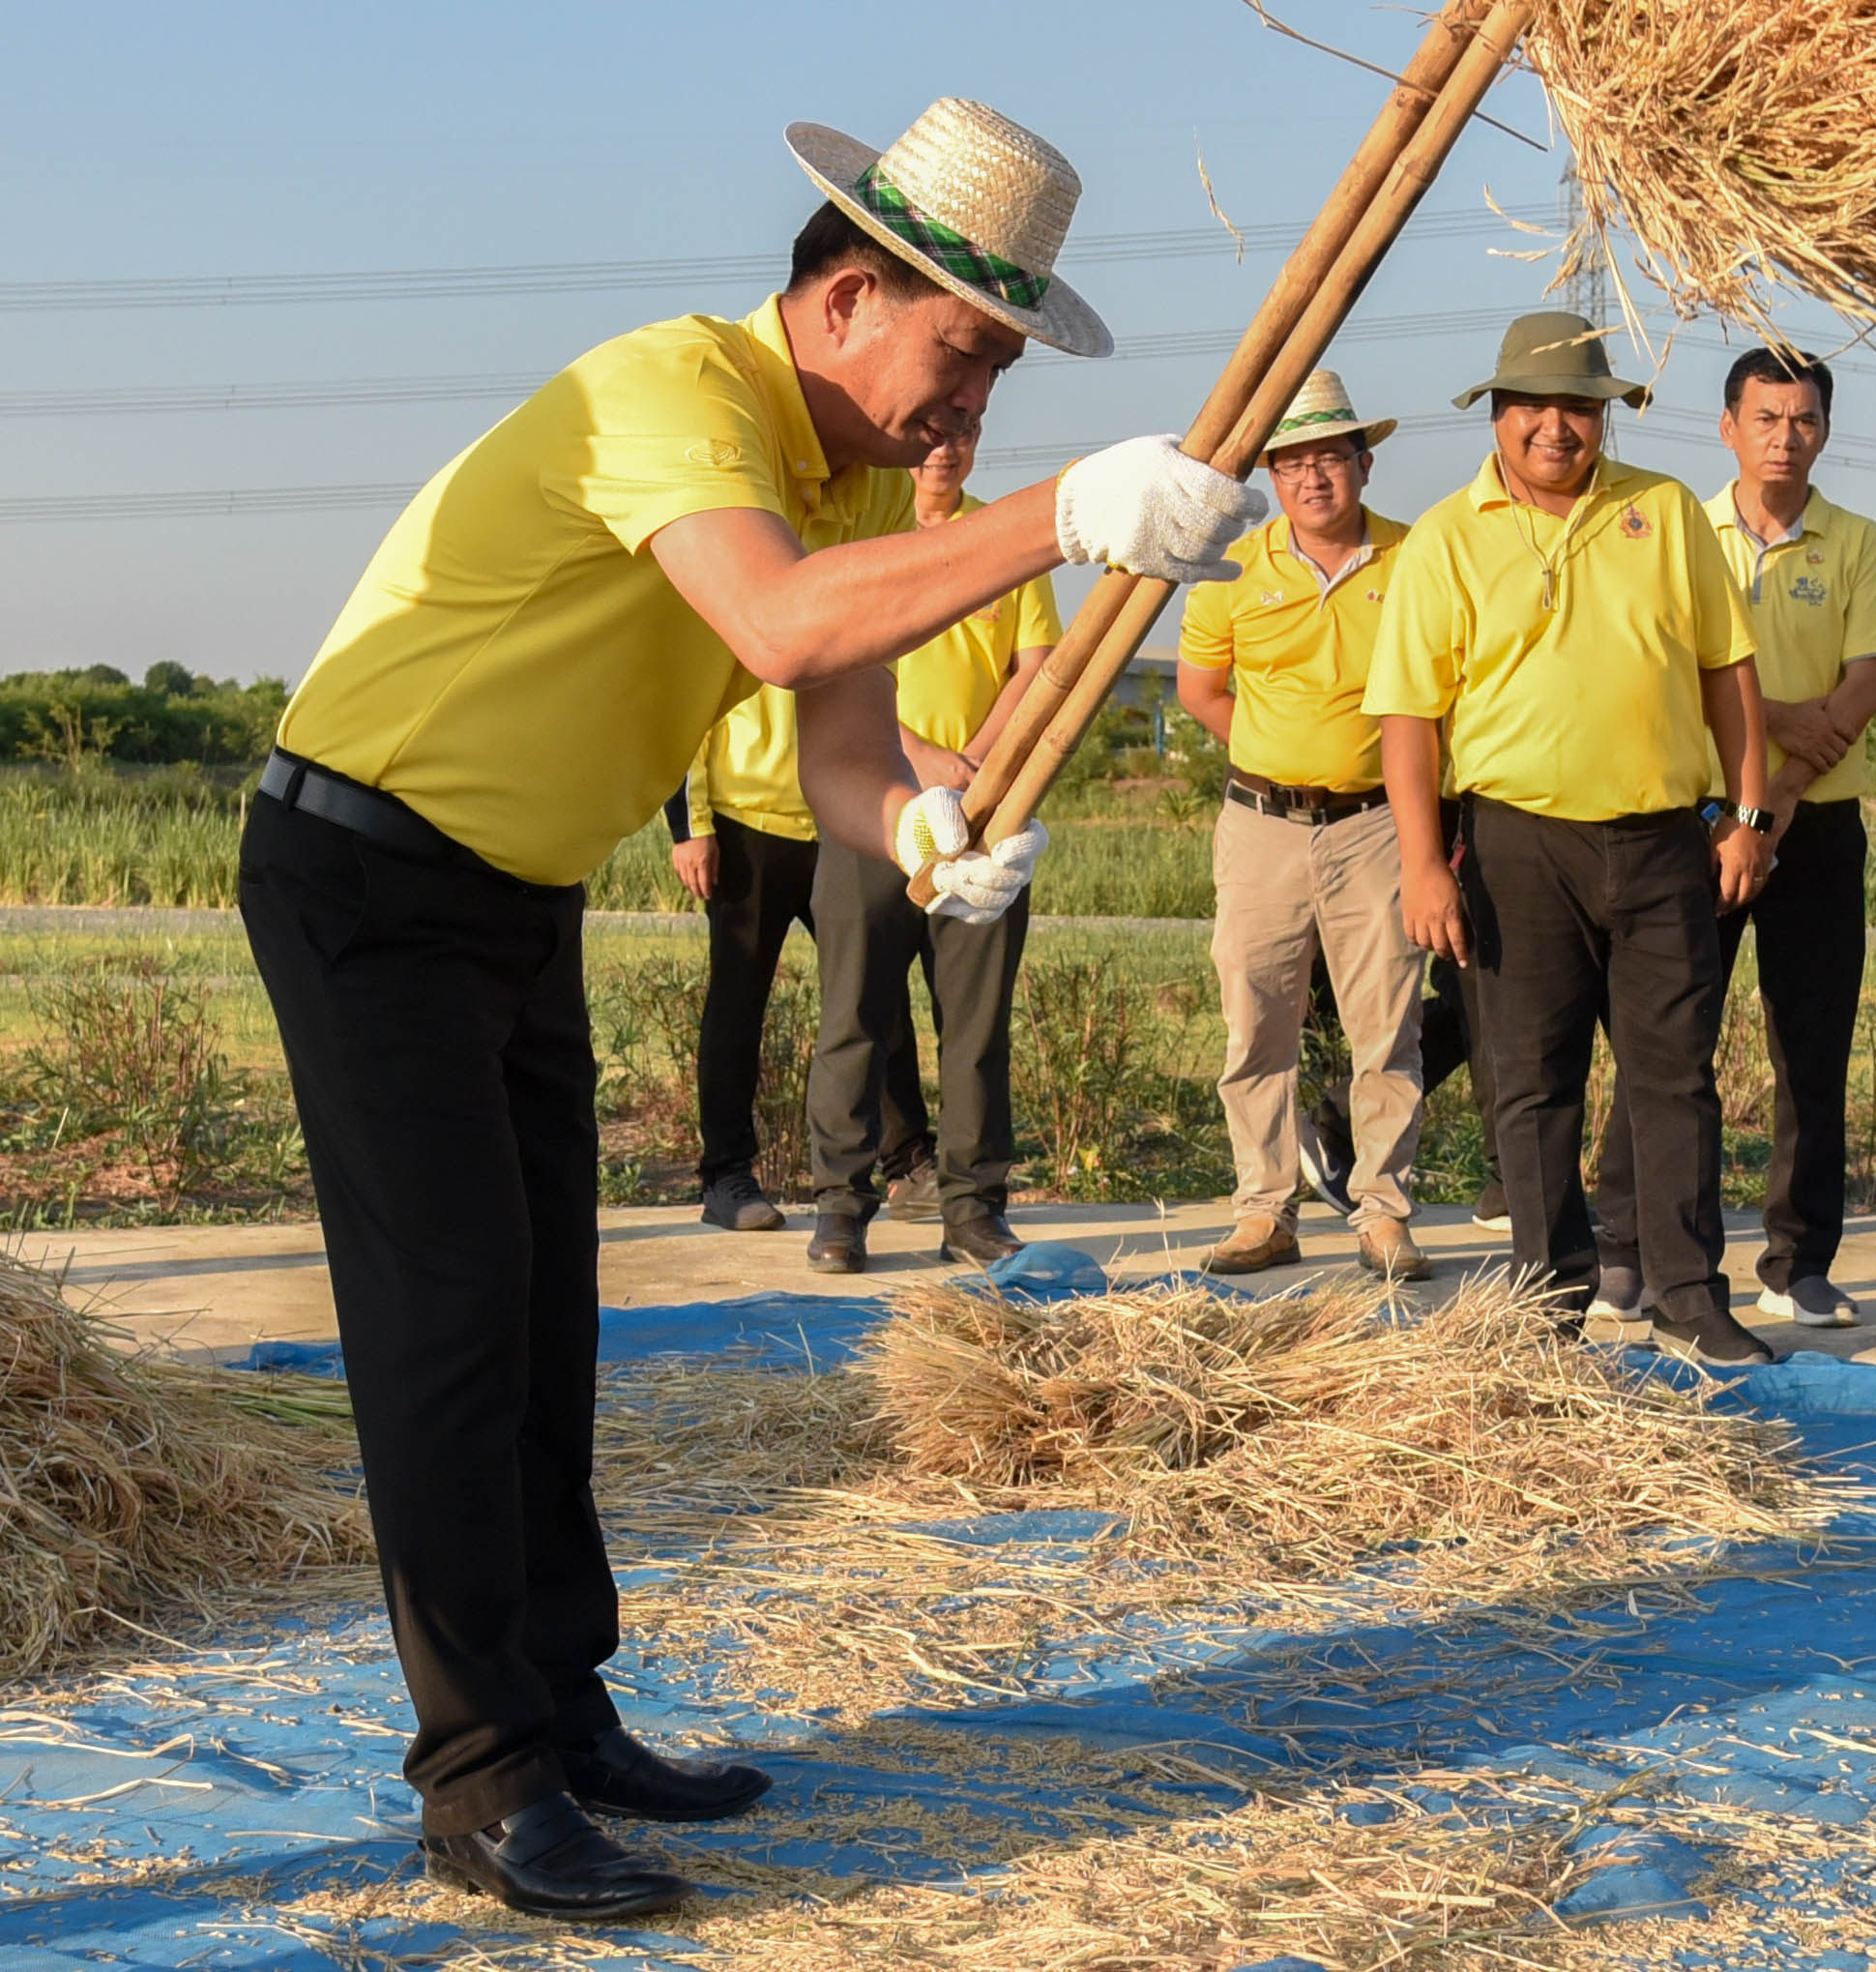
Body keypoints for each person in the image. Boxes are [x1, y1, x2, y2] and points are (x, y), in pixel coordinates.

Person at [238, 97, 1268, 1917]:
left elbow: (844, 752)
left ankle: (561, 1706)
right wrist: (1066, 514)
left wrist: (931, 834)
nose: (970, 411)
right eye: (963, 356)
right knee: (451, 1323)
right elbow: (782, 627)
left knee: (551, 1312)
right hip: (364, 872)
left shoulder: (857, 477)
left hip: (508, 892)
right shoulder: (675, 392)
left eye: (1004, 379)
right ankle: (479, 1786)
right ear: (850, 296)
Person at [1370, 310, 1776, 1369]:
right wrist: (1423, 863)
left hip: (1660, 843)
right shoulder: (1444, 538)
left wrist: (1747, 814)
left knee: (1674, 1076)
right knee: (1530, 1079)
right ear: (1497, 415)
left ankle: (1688, 1292)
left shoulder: (1664, 509)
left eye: (1578, 408)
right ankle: (1546, 1305)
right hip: (1514, 845)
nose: (1556, 428)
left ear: (1605, 417)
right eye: (1534, 408)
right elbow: (1408, 719)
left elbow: (1727, 669)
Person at [1606, 343, 1876, 1328]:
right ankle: (1628, 1253)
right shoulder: (1673, 531)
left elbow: (1863, 685)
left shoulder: (1857, 541)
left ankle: (1796, 1262)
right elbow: (1675, 669)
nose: (1785, 437)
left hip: (1814, 821)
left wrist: (1770, 801)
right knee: (1666, 1042)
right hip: (1696, 821)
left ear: (1825, 429)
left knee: (1810, 1049)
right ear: (1727, 426)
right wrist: (1770, 723)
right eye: (1765, 418)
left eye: (1803, 419)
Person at [1179, 371, 1451, 1282]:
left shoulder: (1417, 559)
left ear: (1365, 464)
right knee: (1255, 1019)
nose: (1313, 479)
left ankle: (1383, 1214)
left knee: (1387, 1027)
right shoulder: (1232, 565)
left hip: (1378, 822)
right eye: (1292, 463)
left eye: (1330, 458)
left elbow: (1445, 696)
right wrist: (1273, 747)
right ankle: (1264, 1209)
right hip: (1260, 821)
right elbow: (1200, 689)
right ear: (1271, 475)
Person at [802, 409, 1062, 1273]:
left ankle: (973, 1208)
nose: (947, 447)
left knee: (977, 1027)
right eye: (933, 429)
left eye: (968, 429)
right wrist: (915, 756)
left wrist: (977, 769)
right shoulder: (860, 540)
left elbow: (1037, 670)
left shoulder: (1002, 543)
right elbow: (833, 666)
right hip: (873, 814)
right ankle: (841, 1209)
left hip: (985, 819)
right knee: (854, 1017)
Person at [672, 691, 814, 1235]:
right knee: (737, 1006)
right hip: (743, 824)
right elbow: (684, 710)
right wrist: (691, 827)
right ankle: (726, 1177)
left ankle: (908, 1162)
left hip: (838, 819)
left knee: (877, 995)